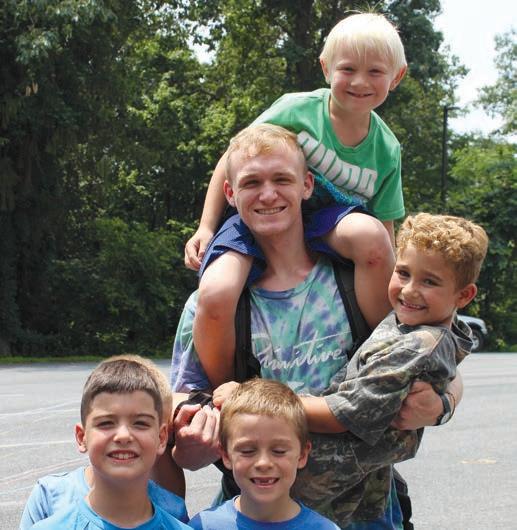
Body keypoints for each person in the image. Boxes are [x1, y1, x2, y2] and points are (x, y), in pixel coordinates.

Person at [170, 124, 463, 529]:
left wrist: (444, 403)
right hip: (254, 517)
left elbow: (432, 352)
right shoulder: (211, 303)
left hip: (370, 515)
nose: (268, 194)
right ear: (230, 194)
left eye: (282, 179)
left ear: (307, 185)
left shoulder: (356, 278)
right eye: (252, 182)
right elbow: (188, 408)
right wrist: (191, 444)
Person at [215, 212, 489, 523]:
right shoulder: (425, 323)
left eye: (430, 281)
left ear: (464, 295)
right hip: (356, 486)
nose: (410, 290)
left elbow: (343, 414)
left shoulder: (418, 344)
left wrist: (248, 399)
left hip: (321, 484)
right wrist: (446, 403)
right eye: (403, 273)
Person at [185, 12, 408, 388]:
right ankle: (224, 390)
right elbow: (233, 159)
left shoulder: (386, 149)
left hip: (328, 222)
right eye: (348, 69)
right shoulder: (297, 109)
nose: (359, 81)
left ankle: (380, 358)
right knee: (217, 290)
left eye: (375, 72)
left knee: (372, 238)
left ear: (396, 77)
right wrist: (206, 227)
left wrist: (396, 279)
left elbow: (384, 223)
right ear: (326, 68)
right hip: (261, 211)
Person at [20, 355, 189, 529]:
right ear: (82, 437)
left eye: (140, 423)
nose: (123, 435)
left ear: (162, 438)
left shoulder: (175, 513)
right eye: (106, 423)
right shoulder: (49, 515)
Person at [188, 379, 340, 529]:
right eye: (247, 451)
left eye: (279, 451)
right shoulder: (203, 526)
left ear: (302, 455)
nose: (263, 463)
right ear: (226, 456)